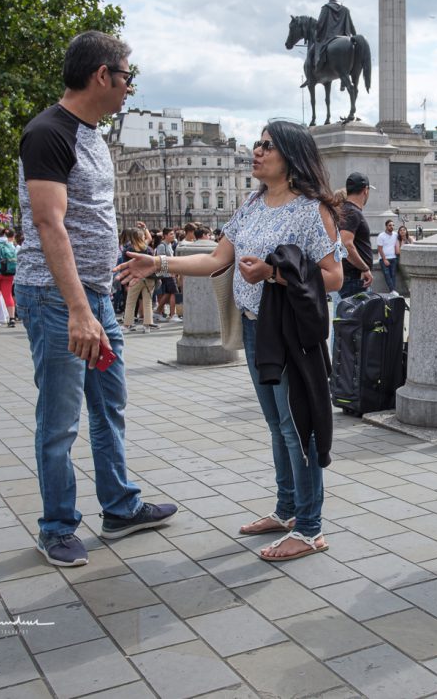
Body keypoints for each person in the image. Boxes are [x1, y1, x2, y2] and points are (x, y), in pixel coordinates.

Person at [116, 120, 344, 561]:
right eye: (257, 145)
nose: (256, 152)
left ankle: (312, 528)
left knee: (299, 429)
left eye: (267, 146)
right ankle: (287, 510)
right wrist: (158, 263)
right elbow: (217, 260)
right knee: (278, 426)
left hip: (293, 333)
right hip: (257, 327)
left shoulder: (310, 209)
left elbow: (333, 277)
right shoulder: (253, 204)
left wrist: (273, 274)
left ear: (292, 157)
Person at [14, 31, 176, 567]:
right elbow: (48, 223)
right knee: (60, 418)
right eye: (128, 77)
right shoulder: (47, 132)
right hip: (58, 298)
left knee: (110, 407)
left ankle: (119, 506)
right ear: (102, 75)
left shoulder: (94, 137)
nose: (131, 88)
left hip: (98, 293)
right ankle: (57, 526)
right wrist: (80, 309)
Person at [337, 172, 374, 299]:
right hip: (355, 279)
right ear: (365, 190)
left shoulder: (346, 210)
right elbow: (345, 244)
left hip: (351, 278)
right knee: (356, 317)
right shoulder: (352, 212)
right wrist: (364, 268)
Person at [121, 227, 156, 332]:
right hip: (149, 278)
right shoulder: (149, 249)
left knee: (131, 301)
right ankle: (147, 325)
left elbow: (125, 266)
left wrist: (125, 282)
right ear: (142, 237)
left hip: (134, 278)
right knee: (147, 301)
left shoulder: (128, 250)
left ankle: (127, 324)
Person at [313, 0, 356, 72]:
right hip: (344, 36)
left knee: (314, 49)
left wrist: (316, 36)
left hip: (328, 38)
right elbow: (351, 26)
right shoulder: (345, 9)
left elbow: (320, 24)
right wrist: (355, 38)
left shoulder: (326, 8)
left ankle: (318, 67)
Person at [153, 227, 180, 322]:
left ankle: (157, 312)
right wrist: (170, 271)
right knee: (172, 292)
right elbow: (161, 260)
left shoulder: (169, 245)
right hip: (166, 273)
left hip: (169, 273)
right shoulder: (162, 246)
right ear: (165, 235)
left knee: (169, 293)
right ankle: (172, 315)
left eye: (173, 234)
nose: (173, 236)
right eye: (171, 234)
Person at [377, 219, 399, 295]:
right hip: (384, 259)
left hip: (393, 258)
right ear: (386, 226)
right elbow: (379, 249)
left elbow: (404, 236)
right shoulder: (381, 235)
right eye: (390, 225)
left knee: (393, 275)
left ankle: (393, 291)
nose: (391, 227)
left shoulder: (395, 235)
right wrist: (384, 259)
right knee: (387, 275)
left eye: (393, 225)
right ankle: (392, 290)